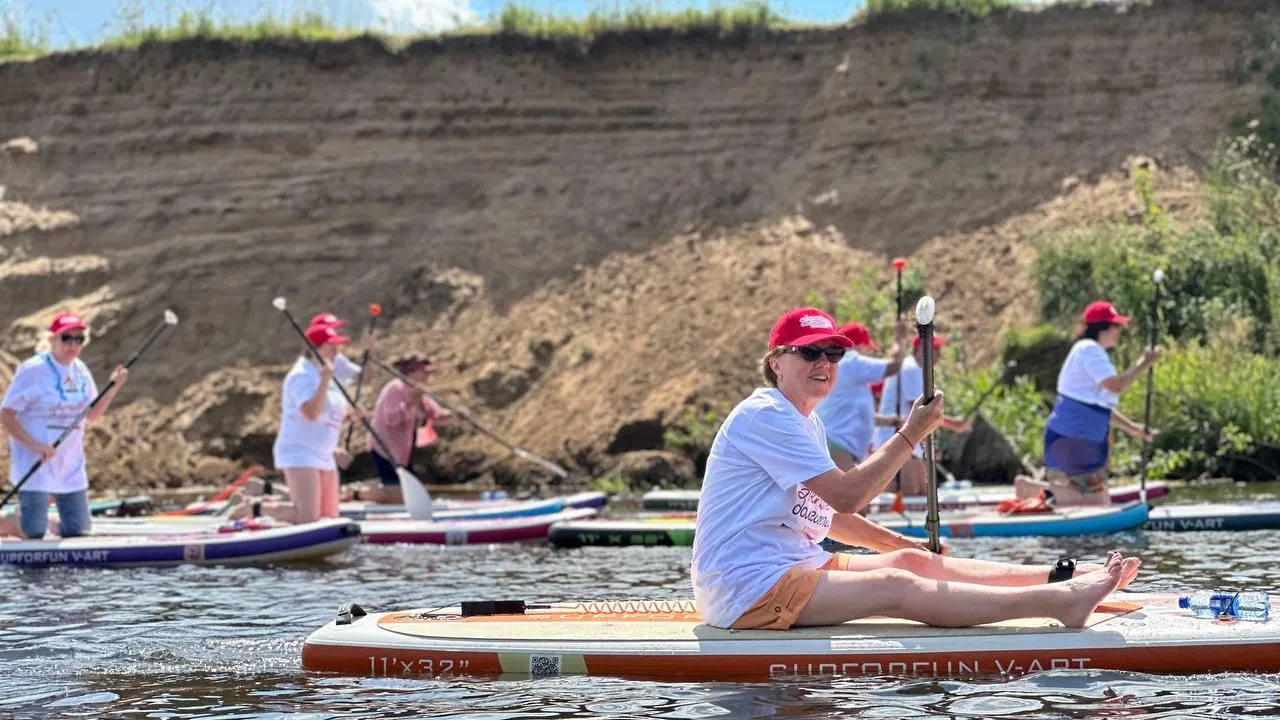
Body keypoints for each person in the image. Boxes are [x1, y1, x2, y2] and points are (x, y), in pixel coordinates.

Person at [689, 306, 1141, 632]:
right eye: (809, 353)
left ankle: (1062, 576)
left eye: (832, 353)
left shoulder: (807, 421)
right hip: (747, 588)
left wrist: (902, 543)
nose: (823, 362)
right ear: (776, 364)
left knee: (908, 561)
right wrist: (913, 432)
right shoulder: (764, 413)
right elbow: (847, 495)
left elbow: (831, 515)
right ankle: (1060, 603)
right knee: (896, 583)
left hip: (794, 563)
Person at [1015, 300, 1161, 506]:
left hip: (1078, 437)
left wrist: (1134, 429)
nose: (1119, 331)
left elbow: (1102, 408)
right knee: (1094, 505)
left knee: (1101, 501)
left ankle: (1043, 491)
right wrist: (1144, 363)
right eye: (1116, 326)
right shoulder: (1089, 350)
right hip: (1074, 437)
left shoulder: (1089, 351)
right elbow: (1115, 385)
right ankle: (1032, 489)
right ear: (1104, 328)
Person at [0, 312, 128, 539]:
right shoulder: (32, 370)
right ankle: (9, 522)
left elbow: (91, 415)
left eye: (79, 339)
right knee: (33, 533)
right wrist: (36, 445)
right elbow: (7, 414)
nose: (73, 345)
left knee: (78, 532)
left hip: (69, 464)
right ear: (52, 340)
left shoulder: (81, 370)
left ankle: (45, 518)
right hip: (36, 462)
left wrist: (113, 388)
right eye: (67, 338)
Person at [233, 313, 364, 525]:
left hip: (323, 453)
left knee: (330, 518)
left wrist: (349, 417)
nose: (336, 350)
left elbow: (326, 414)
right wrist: (323, 381)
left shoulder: (327, 374)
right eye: (331, 346)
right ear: (317, 348)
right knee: (307, 518)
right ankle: (252, 507)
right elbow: (310, 413)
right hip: (299, 451)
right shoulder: (301, 375)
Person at [870, 333, 973, 496]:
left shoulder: (915, 369)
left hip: (906, 439)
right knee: (912, 493)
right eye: (935, 348)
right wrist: (955, 425)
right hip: (895, 438)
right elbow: (921, 413)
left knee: (923, 493)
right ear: (921, 349)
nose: (939, 354)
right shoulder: (911, 369)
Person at [353, 355, 451, 505]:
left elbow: (435, 415)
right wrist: (412, 402)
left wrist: (455, 414)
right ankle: (356, 493)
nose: (427, 376)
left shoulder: (417, 392)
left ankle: (380, 493)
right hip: (385, 449)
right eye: (424, 372)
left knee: (408, 495)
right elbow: (392, 419)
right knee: (399, 497)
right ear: (411, 372)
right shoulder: (396, 388)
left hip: (403, 453)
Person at [815, 320, 907, 472]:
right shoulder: (852, 361)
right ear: (859, 345)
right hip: (838, 445)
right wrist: (900, 339)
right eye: (866, 348)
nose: (867, 353)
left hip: (834, 442)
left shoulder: (841, 365)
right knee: (845, 494)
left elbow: (850, 412)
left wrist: (886, 421)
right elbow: (894, 366)